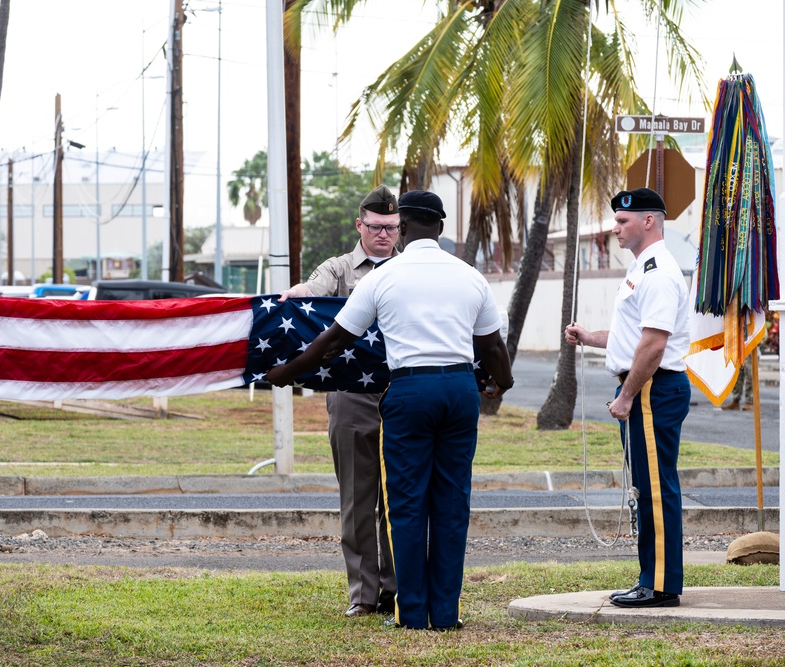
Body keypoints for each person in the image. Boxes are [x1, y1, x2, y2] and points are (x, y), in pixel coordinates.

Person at [268, 190, 513, 631]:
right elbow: (492, 345)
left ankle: (412, 613)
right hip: (459, 391)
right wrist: (502, 383)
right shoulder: (470, 275)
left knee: (406, 503)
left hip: (409, 391)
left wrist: (289, 371)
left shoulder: (384, 277)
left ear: (403, 226)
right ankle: (447, 613)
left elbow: (335, 339)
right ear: (439, 227)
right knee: (452, 504)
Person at [565, 187, 690, 609]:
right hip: (646, 385)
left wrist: (627, 396)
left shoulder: (658, 272)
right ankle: (654, 579)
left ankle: (658, 585)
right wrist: (590, 337)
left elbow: (654, 346)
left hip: (652, 388)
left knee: (653, 489)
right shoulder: (642, 269)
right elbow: (631, 338)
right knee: (646, 486)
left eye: (623, 221)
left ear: (649, 221)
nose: (615, 228)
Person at [277, 184, 399, 618]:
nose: (384, 235)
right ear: (359, 225)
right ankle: (365, 595)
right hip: (352, 395)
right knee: (357, 496)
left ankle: (398, 588)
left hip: (403, 392)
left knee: (400, 496)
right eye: (376, 226)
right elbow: (313, 289)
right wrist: (296, 294)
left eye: (391, 227)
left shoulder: (409, 268)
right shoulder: (341, 268)